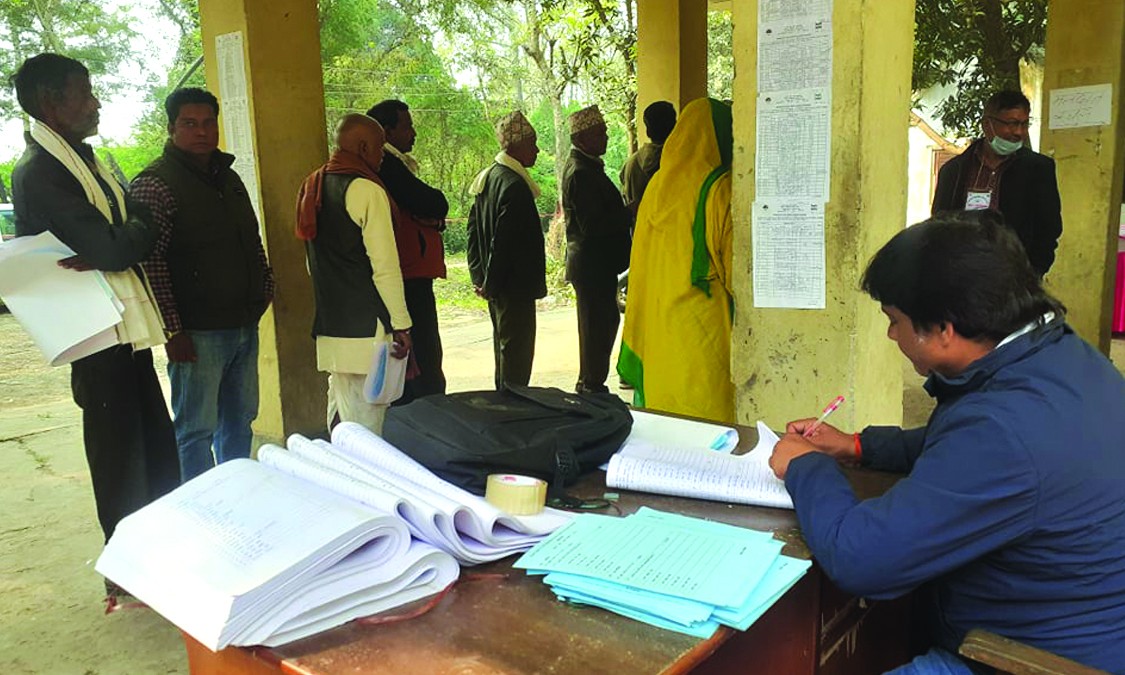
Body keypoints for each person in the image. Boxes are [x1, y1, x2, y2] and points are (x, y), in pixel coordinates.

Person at [769, 211, 1125, 674]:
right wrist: (858, 447)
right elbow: (969, 452)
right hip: (1073, 623)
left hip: (1031, 658)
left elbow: (863, 560)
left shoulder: (1004, 430)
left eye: (895, 321)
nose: (891, 334)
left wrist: (805, 467)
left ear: (944, 330)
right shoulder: (1059, 356)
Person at [8, 54, 179, 550]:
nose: (95, 102)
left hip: (122, 324)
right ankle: (127, 566)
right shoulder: (41, 171)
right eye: (84, 92)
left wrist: (127, 232)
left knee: (153, 438)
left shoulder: (85, 160)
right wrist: (135, 228)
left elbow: (121, 237)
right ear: (50, 102)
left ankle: (165, 543)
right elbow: (114, 247)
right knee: (119, 451)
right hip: (92, 331)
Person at [130, 88, 274, 482]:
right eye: (190, 124)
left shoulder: (228, 178)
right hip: (195, 334)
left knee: (240, 420)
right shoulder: (155, 184)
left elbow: (251, 239)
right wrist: (172, 329)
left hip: (243, 324)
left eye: (209, 123)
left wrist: (265, 287)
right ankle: (201, 509)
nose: (202, 132)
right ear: (171, 128)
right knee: (195, 430)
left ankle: (237, 494)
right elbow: (149, 263)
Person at [617, 98, 735, 423]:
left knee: (668, 426)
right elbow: (737, 276)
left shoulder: (657, 185)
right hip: (700, 336)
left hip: (658, 331)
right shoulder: (719, 189)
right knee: (709, 431)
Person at [296, 114, 412, 434]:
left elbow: (312, 263)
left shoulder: (312, 184)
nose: (381, 157)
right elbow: (385, 267)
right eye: (378, 150)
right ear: (363, 148)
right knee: (367, 427)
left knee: (340, 411)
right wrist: (401, 324)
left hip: (330, 326)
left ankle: (338, 475)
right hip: (368, 329)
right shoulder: (366, 190)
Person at [366, 99, 448, 403]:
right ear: (384, 134)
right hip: (405, 275)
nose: (413, 133)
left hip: (411, 272)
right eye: (406, 126)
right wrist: (429, 212)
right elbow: (432, 202)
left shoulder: (393, 165)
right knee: (420, 354)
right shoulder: (387, 165)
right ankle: (425, 414)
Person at [931, 90, 1062, 277]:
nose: (1018, 132)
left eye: (1024, 124)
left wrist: (1032, 272)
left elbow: (1049, 229)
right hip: (961, 277)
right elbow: (939, 223)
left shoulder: (1038, 169)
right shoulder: (955, 170)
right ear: (987, 125)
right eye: (1011, 124)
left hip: (1016, 279)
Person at [466, 111, 547, 390]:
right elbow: (502, 243)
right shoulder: (514, 185)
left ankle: (504, 405)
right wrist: (490, 282)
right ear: (515, 146)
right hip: (514, 287)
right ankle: (514, 412)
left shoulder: (489, 177)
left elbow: (473, 234)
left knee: (504, 352)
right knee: (516, 357)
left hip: (498, 286)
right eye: (532, 143)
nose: (537, 149)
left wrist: (480, 278)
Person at [561, 105, 632, 394]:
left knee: (602, 324)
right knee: (595, 329)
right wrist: (629, 212)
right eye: (600, 132)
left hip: (596, 265)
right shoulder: (581, 172)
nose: (606, 136)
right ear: (583, 138)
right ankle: (591, 388)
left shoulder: (587, 167)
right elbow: (593, 224)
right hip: (591, 265)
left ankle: (592, 384)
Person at [620, 101, 676, 214]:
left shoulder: (631, 163)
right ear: (675, 127)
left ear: (647, 131)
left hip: (641, 229)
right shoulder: (679, 163)